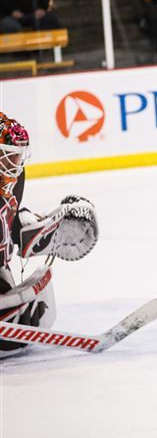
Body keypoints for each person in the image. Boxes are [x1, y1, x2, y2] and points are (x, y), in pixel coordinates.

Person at [0, 113, 99, 358]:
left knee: (25, 318)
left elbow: (7, 224)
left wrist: (41, 228)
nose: (16, 162)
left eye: (18, 155)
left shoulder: (13, 179)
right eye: (9, 155)